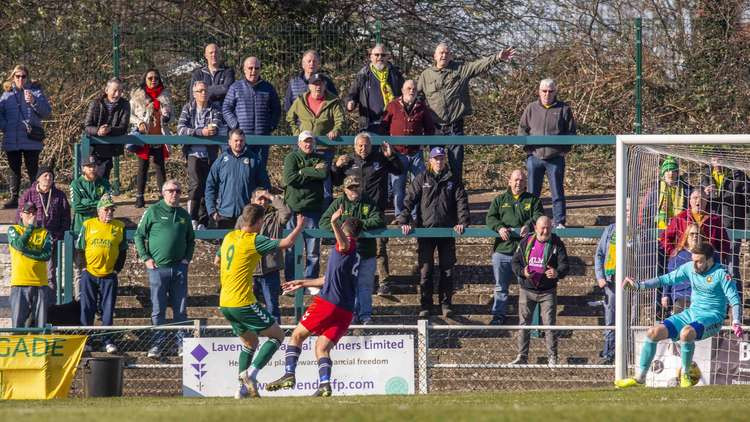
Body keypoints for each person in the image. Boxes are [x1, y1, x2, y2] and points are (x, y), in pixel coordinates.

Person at [615, 242, 743, 388]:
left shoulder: (722, 274)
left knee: (686, 333)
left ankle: (685, 374)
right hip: (691, 313)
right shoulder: (690, 267)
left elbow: (734, 299)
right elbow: (666, 279)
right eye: (693, 260)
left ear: (709, 260)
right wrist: (639, 285)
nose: (695, 265)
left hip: (712, 317)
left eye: (699, 261)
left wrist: (736, 321)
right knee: (653, 332)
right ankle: (640, 378)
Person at [266, 208, 363, 397]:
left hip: (329, 303)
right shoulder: (355, 254)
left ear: (345, 228)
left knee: (296, 336)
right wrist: (302, 282)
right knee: (321, 347)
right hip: (345, 311)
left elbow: (343, 244)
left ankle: (288, 374)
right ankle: (325, 385)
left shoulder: (347, 244)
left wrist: (334, 222)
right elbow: (328, 279)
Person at [215, 204, 306, 399]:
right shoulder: (254, 240)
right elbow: (288, 242)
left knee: (250, 342)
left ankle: (240, 390)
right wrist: (299, 226)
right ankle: (251, 374)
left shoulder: (229, 237)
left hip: (225, 302)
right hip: (243, 302)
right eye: (262, 222)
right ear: (258, 222)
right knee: (277, 336)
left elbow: (216, 261)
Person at [417, 43, 515, 182]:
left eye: (447, 52)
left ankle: (457, 197)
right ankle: (436, 198)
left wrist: (498, 57)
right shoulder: (426, 75)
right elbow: (415, 97)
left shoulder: (460, 70)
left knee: (456, 165)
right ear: (435, 56)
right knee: (435, 166)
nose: (444, 55)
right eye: (441, 53)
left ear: (451, 55)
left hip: (454, 127)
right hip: (435, 128)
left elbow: (478, 65)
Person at [398, 146, 470, 318]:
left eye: (441, 158)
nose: (439, 161)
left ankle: (446, 304)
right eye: (436, 159)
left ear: (445, 160)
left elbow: (462, 202)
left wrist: (462, 222)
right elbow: (409, 200)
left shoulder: (454, 179)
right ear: (430, 161)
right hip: (426, 232)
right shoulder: (421, 178)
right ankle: (426, 304)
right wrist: (404, 220)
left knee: (447, 271)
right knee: (425, 271)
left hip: (447, 232)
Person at [332, 132, 402, 294]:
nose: (363, 148)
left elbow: (399, 170)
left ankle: (384, 283)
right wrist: (336, 166)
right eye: (360, 145)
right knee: (350, 249)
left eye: (366, 145)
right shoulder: (348, 162)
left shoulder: (380, 159)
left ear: (371, 146)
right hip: (352, 212)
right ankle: (348, 281)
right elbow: (335, 181)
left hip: (375, 211)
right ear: (355, 146)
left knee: (379, 248)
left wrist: (391, 156)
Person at [134, 179, 195, 358]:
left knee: (181, 309)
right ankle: (156, 344)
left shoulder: (184, 214)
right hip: (158, 268)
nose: (174, 194)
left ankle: (182, 344)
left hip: (179, 269)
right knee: (158, 308)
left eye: (177, 191)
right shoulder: (153, 211)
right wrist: (146, 258)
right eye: (170, 191)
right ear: (163, 192)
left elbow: (191, 240)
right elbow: (139, 236)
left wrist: (187, 259)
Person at [320, 175, 384, 324]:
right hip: (347, 254)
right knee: (348, 286)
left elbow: (379, 220)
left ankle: (365, 315)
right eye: (351, 187)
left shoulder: (368, 201)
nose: (354, 190)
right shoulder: (339, 202)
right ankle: (351, 315)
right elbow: (324, 222)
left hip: (366, 251)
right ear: (345, 189)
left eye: (356, 186)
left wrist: (357, 225)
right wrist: (343, 230)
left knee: (365, 285)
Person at [485, 170, 544, 325]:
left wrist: (529, 224)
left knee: (526, 286)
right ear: (509, 181)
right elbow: (490, 218)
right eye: (515, 180)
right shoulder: (500, 199)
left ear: (525, 182)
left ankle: (526, 319)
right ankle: (498, 316)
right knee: (500, 287)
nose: (518, 183)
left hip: (524, 251)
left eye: (522, 180)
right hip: (502, 250)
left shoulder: (533, 200)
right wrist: (499, 228)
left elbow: (539, 216)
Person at [510, 215, 570, 365]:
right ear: (535, 228)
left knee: (549, 325)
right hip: (527, 289)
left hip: (547, 291)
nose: (545, 231)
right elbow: (515, 262)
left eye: (548, 227)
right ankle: (522, 356)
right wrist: (522, 272)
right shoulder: (526, 241)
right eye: (542, 228)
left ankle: (552, 357)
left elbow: (565, 265)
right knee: (524, 324)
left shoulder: (557, 243)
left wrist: (557, 272)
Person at [518, 78, 577, 229]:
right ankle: (531, 222)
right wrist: (528, 150)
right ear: (539, 92)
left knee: (557, 191)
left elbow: (571, 131)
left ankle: (559, 221)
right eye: (544, 91)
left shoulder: (564, 109)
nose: (547, 94)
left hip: (555, 158)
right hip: (534, 157)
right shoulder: (531, 108)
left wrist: (565, 150)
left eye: (550, 91)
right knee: (532, 193)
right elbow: (522, 129)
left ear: (555, 92)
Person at [75, 194, 126, 353]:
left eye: (112, 209)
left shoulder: (119, 226)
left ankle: (107, 340)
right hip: (89, 273)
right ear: (99, 211)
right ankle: (86, 339)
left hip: (109, 275)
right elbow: (79, 248)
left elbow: (123, 250)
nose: (110, 212)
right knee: (86, 308)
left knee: (108, 309)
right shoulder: (88, 224)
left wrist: (117, 269)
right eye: (106, 209)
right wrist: (82, 266)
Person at [286, 72, 345, 205]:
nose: (318, 87)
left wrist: (336, 130)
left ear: (325, 85)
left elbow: (340, 120)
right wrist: (297, 133)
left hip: (324, 150)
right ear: (309, 86)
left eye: (320, 84)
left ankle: (325, 220)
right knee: (304, 182)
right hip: (304, 151)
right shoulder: (300, 101)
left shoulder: (333, 101)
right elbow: (290, 117)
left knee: (326, 186)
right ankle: (304, 215)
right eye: (314, 84)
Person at [381, 79, 434, 220]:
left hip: (416, 153)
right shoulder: (392, 106)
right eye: (409, 88)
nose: (411, 91)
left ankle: (416, 216)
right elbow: (384, 127)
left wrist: (426, 144)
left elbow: (430, 129)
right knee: (398, 187)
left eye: (414, 89)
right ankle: (400, 216)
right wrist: (388, 147)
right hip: (397, 153)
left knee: (418, 186)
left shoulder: (422, 107)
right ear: (403, 90)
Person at [0, 64, 52, 209]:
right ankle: (14, 198)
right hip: (12, 138)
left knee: (33, 169)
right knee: (14, 169)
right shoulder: (6, 95)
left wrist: (34, 102)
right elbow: (0, 114)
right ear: (13, 77)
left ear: (27, 77)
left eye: (23, 76)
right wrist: (5, 126)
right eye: (17, 76)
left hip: (31, 139)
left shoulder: (36, 92)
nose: (20, 79)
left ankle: (35, 197)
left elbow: (47, 112)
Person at [16, 166, 70, 301]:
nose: (48, 178)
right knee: (31, 273)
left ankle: (50, 307)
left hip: (50, 241)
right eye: (45, 175)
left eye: (50, 175)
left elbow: (66, 218)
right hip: (32, 241)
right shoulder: (28, 194)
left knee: (50, 274)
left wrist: (57, 237)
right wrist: (27, 233)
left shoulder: (59, 195)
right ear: (38, 178)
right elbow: (19, 217)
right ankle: (31, 305)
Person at [282, 131, 328, 281]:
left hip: (313, 209)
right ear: (299, 143)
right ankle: (290, 281)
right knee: (291, 248)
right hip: (293, 209)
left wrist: (302, 172)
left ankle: (310, 281)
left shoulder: (320, 158)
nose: (308, 144)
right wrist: (312, 173)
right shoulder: (291, 157)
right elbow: (289, 179)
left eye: (311, 142)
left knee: (313, 250)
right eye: (305, 142)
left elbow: (323, 174)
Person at [177, 80, 223, 230]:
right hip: (193, 153)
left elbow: (215, 126)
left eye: (205, 91)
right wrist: (200, 132)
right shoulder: (188, 108)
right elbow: (181, 129)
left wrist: (208, 130)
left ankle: (203, 221)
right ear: (194, 94)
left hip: (210, 154)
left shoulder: (214, 108)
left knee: (208, 186)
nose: (204, 93)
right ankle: (193, 218)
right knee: (195, 184)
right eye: (200, 91)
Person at [204, 128, 269, 229]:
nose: (239, 143)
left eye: (241, 141)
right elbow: (210, 186)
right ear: (229, 142)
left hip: (247, 216)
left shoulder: (254, 160)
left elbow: (264, 186)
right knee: (226, 245)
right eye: (236, 140)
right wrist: (212, 211)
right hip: (224, 215)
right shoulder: (221, 161)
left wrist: (258, 209)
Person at [222, 56, 281, 168]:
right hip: (243, 139)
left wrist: (271, 125)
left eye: (256, 68)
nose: (253, 71)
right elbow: (226, 108)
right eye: (250, 68)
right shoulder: (236, 87)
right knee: (242, 170)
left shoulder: (268, 88)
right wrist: (235, 125)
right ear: (244, 69)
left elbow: (276, 109)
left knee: (260, 169)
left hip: (262, 139)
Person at [130, 68, 173, 208]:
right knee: (142, 167)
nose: (153, 80)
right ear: (145, 80)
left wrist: (167, 118)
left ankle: (163, 197)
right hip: (144, 136)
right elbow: (129, 115)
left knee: (160, 167)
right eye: (150, 78)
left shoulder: (165, 96)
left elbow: (172, 115)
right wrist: (139, 122)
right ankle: (139, 197)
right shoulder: (138, 95)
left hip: (159, 136)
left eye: (156, 77)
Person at [249, 188, 292, 323]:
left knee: (272, 308)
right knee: (250, 308)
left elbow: (287, 212)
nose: (263, 201)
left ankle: (275, 338)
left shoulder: (275, 217)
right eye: (259, 198)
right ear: (252, 201)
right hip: (251, 270)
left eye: (265, 199)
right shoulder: (244, 219)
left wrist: (270, 196)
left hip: (270, 270)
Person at [8, 201, 52, 328]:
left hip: (40, 284)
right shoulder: (14, 229)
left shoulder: (45, 233)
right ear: (21, 214)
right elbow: (19, 245)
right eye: (27, 213)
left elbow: (46, 255)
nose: (31, 216)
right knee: (18, 324)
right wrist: (30, 229)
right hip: (20, 283)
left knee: (40, 325)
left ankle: (39, 348)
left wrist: (26, 253)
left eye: (33, 213)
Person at [346, 43, 404, 135]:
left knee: (391, 149)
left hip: (393, 123)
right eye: (377, 55)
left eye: (383, 55)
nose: (380, 57)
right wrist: (351, 102)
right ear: (371, 57)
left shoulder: (396, 74)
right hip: (370, 125)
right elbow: (352, 94)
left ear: (388, 57)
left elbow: (404, 94)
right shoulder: (363, 75)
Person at [663, 223, 721, 314]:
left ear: (702, 237)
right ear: (686, 236)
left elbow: (719, 274)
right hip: (682, 294)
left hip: (704, 295)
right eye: (692, 234)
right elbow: (670, 277)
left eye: (697, 234)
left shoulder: (712, 254)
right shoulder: (677, 255)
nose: (695, 236)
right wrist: (665, 295)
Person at [660, 189, 730, 265]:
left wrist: (718, 256)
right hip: (684, 258)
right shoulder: (680, 218)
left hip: (707, 259)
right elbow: (665, 237)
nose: (699, 201)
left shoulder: (715, 220)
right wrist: (673, 252)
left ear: (707, 201)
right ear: (690, 200)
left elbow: (725, 242)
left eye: (702, 198)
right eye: (695, 198)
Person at [84, 77, 130, 180]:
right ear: (106, 90)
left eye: (120, 91)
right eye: (115, 90)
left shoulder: (125, 104)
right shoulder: (95, 103)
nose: (117, 94)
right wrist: (98, 131)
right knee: (90, 181)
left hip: (110, 149)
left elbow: (123, 127)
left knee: (104, 183)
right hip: (93, 148)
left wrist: (109, 129)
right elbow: (87, 126)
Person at [71, 156, 112, 236]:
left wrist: (85, 202)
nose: (92, 169)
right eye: (89, 166)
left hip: (100, 226)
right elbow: (76, 207)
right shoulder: (76, 184)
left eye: (94, 166)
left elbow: (107, 205)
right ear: (83, 168)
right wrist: (98, 206)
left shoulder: (105, 183)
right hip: (81, 226)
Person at [593, 222, 616, 364]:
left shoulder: (638, 230)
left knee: (631, 320)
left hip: (631, 283)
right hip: (611, 281)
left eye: (629, 210)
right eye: (624, 210)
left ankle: (630, 352)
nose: (627, 213)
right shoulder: (610, 230)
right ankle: (609, 353)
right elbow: (599, 254)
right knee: (610, 319)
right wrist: (600, 276)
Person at [188, 43, 236, 109]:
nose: (214, 55)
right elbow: (193, 96)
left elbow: (227, 89)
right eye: (211, 53)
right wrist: (219, 91)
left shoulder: (228, 72)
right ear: (206, 55)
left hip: (223, 113)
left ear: (219, 54)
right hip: (203, 113)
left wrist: (203, 91)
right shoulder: (198, 73)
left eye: (216, 52)